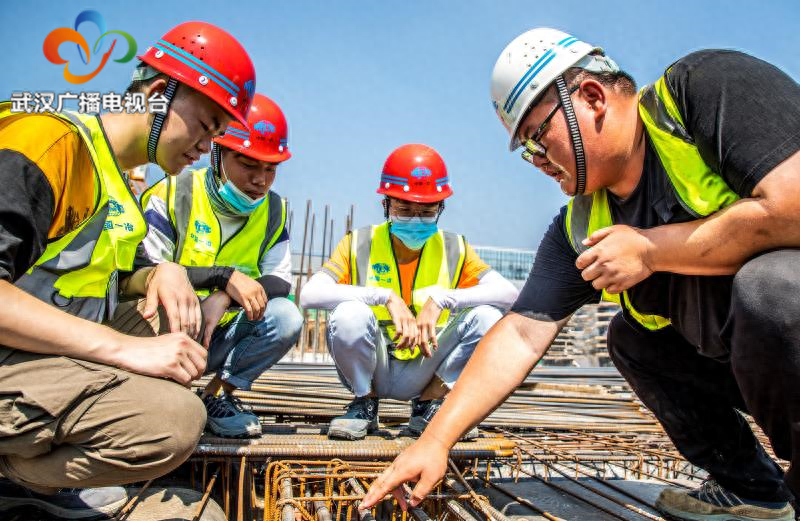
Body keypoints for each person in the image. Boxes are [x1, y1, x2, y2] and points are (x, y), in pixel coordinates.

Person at [362, 28, 800, 521]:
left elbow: (793, 205)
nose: (537, 162)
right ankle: (753, 491)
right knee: (633, 340)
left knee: (773, 288)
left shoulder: (702, 90)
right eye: (527, 151)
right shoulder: (582, 224)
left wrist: (651, 250)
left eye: (537, 139)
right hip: (755, 366)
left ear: (591, 98)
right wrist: (436, 441)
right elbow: (522, 333)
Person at [0, 21, 255, 518]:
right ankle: (19, 475)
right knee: (173, 420)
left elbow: (97, 274)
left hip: (29, 346)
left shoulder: (111, 177)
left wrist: (160, 272)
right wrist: (125, 349)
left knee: (177, 326)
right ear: (158, 96)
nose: (207, 148)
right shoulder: (48, 143)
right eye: (206, 127)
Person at [300, 144, 518, 440]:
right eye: (404, 210)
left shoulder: (454, 247)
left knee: (488, 317)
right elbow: (310, 295)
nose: (416, 220)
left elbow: (507, 294)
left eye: (427, 212)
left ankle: (429, 405)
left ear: (440, 208)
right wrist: (384, 297)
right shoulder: (359, 243)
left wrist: (442, 299)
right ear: (386, 204)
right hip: (375, 365)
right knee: (348, 313)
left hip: (426, 366)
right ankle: (364, 404)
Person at [138, 93, 303, 438]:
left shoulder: (274, 210)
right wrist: (222, 278)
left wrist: (225, 295)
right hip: (167, 330)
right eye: (248, 164)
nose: (260, 180)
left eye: (270, 168)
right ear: (218, 153)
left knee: (286, 316)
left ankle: (217, 395)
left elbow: (280, 280)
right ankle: (158, 387)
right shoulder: (174, 193)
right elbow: (146, 271)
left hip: (222, 334)